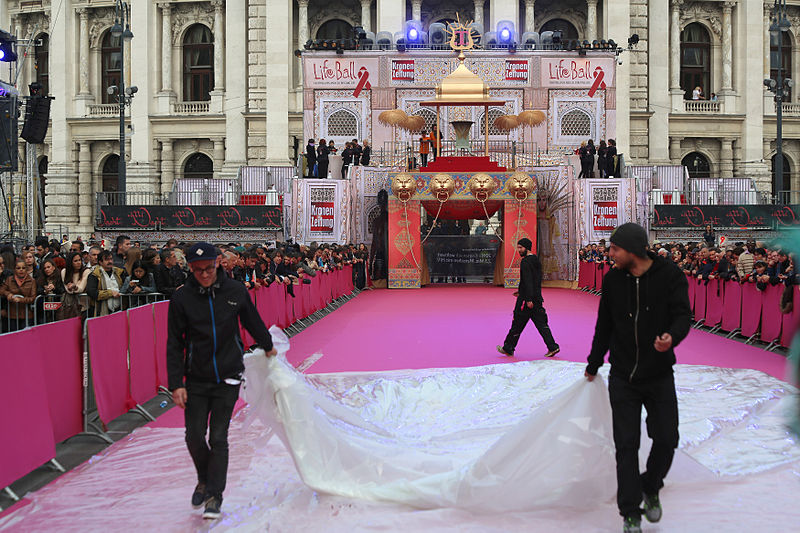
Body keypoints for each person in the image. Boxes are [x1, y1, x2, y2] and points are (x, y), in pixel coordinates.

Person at [584, 223, 691, 533]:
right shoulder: (613, 280)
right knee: (626, 446)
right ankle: (630, 511)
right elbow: (604, 325)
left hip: (658, 374)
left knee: (667, 437)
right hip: (623, 376)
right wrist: (594, 363)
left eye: (615, 249)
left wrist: (672, 336)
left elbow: (683, 314)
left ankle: (651, 485)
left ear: (632, 251)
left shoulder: (669, 275)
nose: (610, 254)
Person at [167, 242, 277, 520]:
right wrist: (175, 383)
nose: (204, 274)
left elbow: (252, 321)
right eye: (197, 270)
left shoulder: (235, 291)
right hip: (196, 378)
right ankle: (204, 479)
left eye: (208, 268)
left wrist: (267, 344)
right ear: (190, 269)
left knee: (218, 437)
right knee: (193, 435)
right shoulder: (181, 299)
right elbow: (173, 343)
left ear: (217, 263)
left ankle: (215, 495)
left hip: (228, 374)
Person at [497, 238, 560, 358]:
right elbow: (534, 281)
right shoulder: (535, 260)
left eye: (521, 248)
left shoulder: (525, 262)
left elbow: (528, 280)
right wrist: (522, 292)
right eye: (518, 247)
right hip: (536, 298)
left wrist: (528, 298)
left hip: (527, 301)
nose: (518, 250)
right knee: (541, 324)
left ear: (527, 248)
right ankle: (553, 346)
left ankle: (508, 347)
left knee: (517, 324)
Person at [87, 250, 127, 316]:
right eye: (106, 260)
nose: (110, 261)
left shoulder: (120, 272)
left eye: (111, 259)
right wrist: (110, 293)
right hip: (101, 311)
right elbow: (92, 292)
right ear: (100, 262)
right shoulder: (94, 275)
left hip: (119, 309)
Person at [0, 259, 37, 332]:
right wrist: (8, 294)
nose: (21, 270)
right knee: (12, 337)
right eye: (18, 268)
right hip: (12, 314)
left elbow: (33, 298)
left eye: (23, 268)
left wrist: (20, 300)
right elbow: (1, 290)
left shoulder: (32, 281)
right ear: (14, 269)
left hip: (26, 315)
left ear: (26, 269)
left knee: (25, 337)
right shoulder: (9, 279)